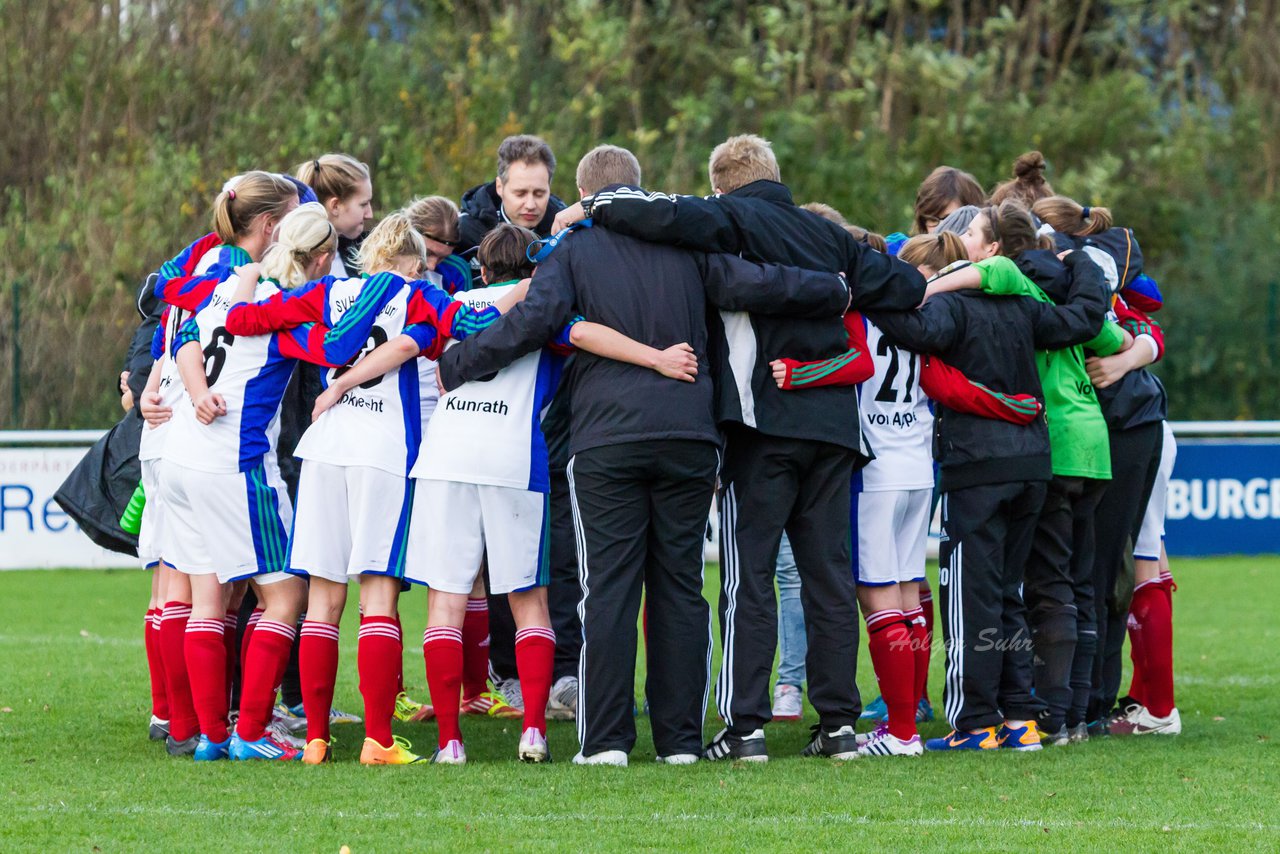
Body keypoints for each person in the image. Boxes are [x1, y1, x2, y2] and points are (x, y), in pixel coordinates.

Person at [442, 143, 860, 765]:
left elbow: (533, 320)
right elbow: (758, 284)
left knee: (606, 587)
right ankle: (680, 742)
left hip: (606, 437)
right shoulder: (688, 247)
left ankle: (606, 740)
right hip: (690, 434)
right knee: (680, 587)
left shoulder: (574, 251)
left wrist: (459, 362)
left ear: (583, 194)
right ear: (640, 188)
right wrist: (836, 289)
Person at [552, 134, 926, 761]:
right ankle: (838, 724)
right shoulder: (830, 237)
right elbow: (907, 287)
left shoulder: (725, 216)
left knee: (747, 578)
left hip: (761, 423)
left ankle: (745, 726)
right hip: (835, 428)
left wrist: (595, 208)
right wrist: (836, 289)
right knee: (828, 577)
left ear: (721, 184)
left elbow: (663, 213)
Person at [866, 203, 1111, 752]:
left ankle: (975, 723)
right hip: (1031, 466)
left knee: (972, 599)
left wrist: (871, 288)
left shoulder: (954, 309)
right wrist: (1089, 268)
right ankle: (1020, 718)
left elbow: (908, 330)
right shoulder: (1023, 307)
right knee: (1008, 594)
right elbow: (1082, 321)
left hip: (977, 470)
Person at [145, 171, 301, 760]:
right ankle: (252, 733)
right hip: (231, 462)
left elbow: (180, 333)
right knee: (285, 598)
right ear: (270, 226)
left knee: (207, 599)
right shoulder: (277, 298)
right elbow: (334, 346)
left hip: (183, 452)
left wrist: (195, 385)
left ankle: (208, 736)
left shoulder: (214, 281)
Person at [457, 134, 580, 722]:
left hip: (553, 423)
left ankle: (566, 672)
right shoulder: (462, 237)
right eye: (521, 191)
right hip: (479, 431)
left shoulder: (570, 237)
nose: (532, 203)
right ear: (499, 185)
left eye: (541, 192)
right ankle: (501, 675)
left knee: (556, 554)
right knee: (484, 566)